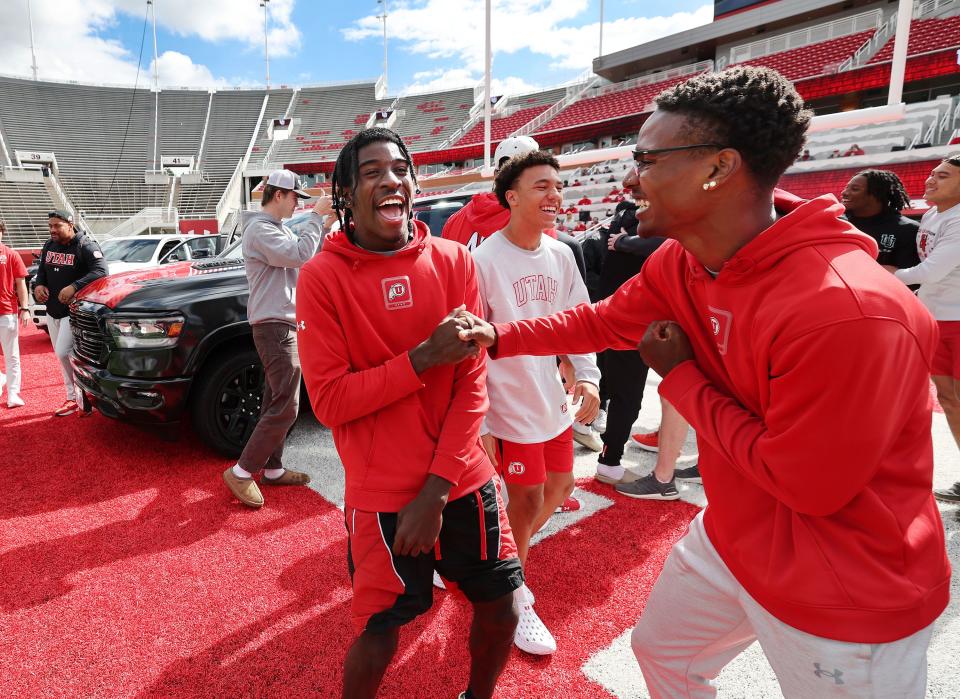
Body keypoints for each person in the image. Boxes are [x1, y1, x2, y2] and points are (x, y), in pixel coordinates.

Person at [458, 67, 950, 697]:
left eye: (646, 158)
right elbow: (601, 321)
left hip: (849, 591)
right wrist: (500, 336)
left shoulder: (852, 312)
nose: (629, 178)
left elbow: (806, 484)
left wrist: (683, 378)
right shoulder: (683, 259)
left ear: (717, 169)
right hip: (735, 538)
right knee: (663, 654)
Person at [296, 128, 522, 699]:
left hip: (462, 481)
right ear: (344, 193)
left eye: (399, 169)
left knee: (502, 609)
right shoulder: (321, 278)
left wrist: (437, 492)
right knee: (380, 631)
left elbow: (473, 383)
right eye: (371, 172)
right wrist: (421, 359)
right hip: (383, 497)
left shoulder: (453, 260)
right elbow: (329, 402)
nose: (391, 180)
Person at [472, 149, 600, 656]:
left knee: (561, 485)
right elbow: (471, 347)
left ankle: (495, 557)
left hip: (551, 400)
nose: (554, 196)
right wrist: (479, 417)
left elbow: (581, 319)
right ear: (512, 196)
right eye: (542, 186)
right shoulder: (482, 260)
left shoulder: (562, 254)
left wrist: (588, 375)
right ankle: (514, 593)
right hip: (508, 406)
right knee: (524, 500)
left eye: (557, 186)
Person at [221, 169, 331, 509]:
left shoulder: (270, 228)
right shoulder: (261, 229)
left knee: (276, 400)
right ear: (279, 195)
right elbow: (300, 255)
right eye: (296, 197)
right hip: (275, 326)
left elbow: (303, 254)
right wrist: (316, 218)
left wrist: (319, 225)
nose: (299, 203)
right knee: (286, 405)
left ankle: (272, 468)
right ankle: (242, 472)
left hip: (278, 324)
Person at [592, 199, 698, 498]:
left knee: (663, 393)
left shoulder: (633, 219)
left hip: (635, 316)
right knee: (648, 394)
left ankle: (655, 469)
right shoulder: (647, 214)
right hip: (638, 318)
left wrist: (627, 241)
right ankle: (618, 462)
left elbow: (670, 242)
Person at [892, 154, 960, 503]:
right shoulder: (934, 214)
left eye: (943, 176)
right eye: (932, 173)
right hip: (935, 319)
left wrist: (885, 277)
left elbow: (930, 271)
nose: (931, 180)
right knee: (949, 400)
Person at [33, 210, 107, 416]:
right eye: (50, 226)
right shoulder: (49, 245)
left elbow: (101, 270)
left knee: (64, 352)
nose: (52, 230)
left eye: (57, 225)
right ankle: (73, 397)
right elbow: (42, 270)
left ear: (70, 224)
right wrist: (39, 285)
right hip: (52, 309)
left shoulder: (85, 245)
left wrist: (75, 286)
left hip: (74, 312)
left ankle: (81, 398)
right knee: (62, 355)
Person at [841, 169, 920, 273]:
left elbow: (911, 278)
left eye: (855, 189)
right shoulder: (837, 224)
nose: (844, 193)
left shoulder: (908, 230)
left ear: (876, 194)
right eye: (846, 188)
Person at [0, 221, 30, 408]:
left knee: (12, 355)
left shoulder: (11, 254)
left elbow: (21, 284)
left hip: (7, 312)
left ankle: (13, 393)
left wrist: (25, 308)